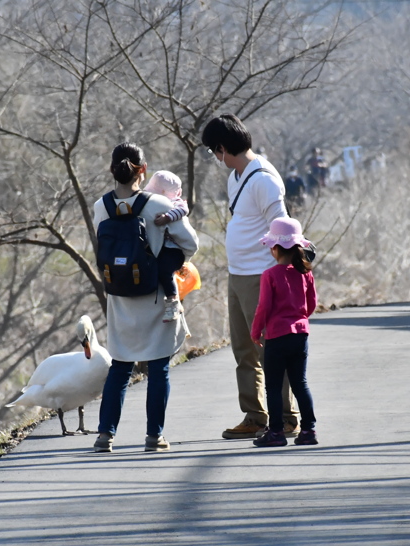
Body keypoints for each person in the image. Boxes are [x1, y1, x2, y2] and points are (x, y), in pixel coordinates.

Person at [92, 143, 199, 454]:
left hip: (120, 298)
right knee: (158, 367)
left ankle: (105, 435)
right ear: (143, 170)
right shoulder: (155, 205)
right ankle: (154, 436)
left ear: (112, 169)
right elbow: (190, 243)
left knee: (120, 367)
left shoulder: (101, 206)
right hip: (154, 296)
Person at [201, 113, 299, 440]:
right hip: (237, 274)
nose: (216, 158)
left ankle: (285, 417)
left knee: (269, 349)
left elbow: (282, 229)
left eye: (215, 152)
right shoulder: (236, 177)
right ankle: (256, 415)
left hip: (262, 275)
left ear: (223, 147)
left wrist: (281, 277)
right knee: (243, 349)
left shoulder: (264, 179)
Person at [250, 217, 318, 447]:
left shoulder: (270, 275)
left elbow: (264, 307)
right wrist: (299, 319)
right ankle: (309, 430)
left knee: (274, 386)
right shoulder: (306, 273)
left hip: (277, 336)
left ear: (276, 248)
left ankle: (276, 432)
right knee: (300, 382)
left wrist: (256, 330)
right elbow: (311, 304)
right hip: (300, 335)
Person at [143, 170, 191, 323]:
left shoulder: (175, 202)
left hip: (174, 249)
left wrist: (167, 217)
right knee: (158, 270)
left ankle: (173, 302)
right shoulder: (148, 202)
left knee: (164, 271)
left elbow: (184, 209)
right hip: (163, 248)